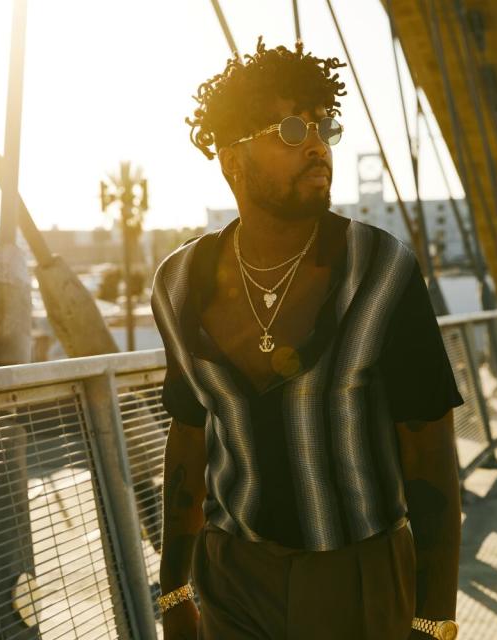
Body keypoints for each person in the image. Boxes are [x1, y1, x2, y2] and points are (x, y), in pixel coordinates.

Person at [151, 39, 464, 640]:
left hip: (360, 578)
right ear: (232, 159)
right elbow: (189, 437)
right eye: (292, 129)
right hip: (232, 577)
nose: (317, 143)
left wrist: (434, 619)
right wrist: (174, 592)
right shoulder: (179, 282)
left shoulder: (382, 269)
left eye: (324, 125)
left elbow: (430, 452)